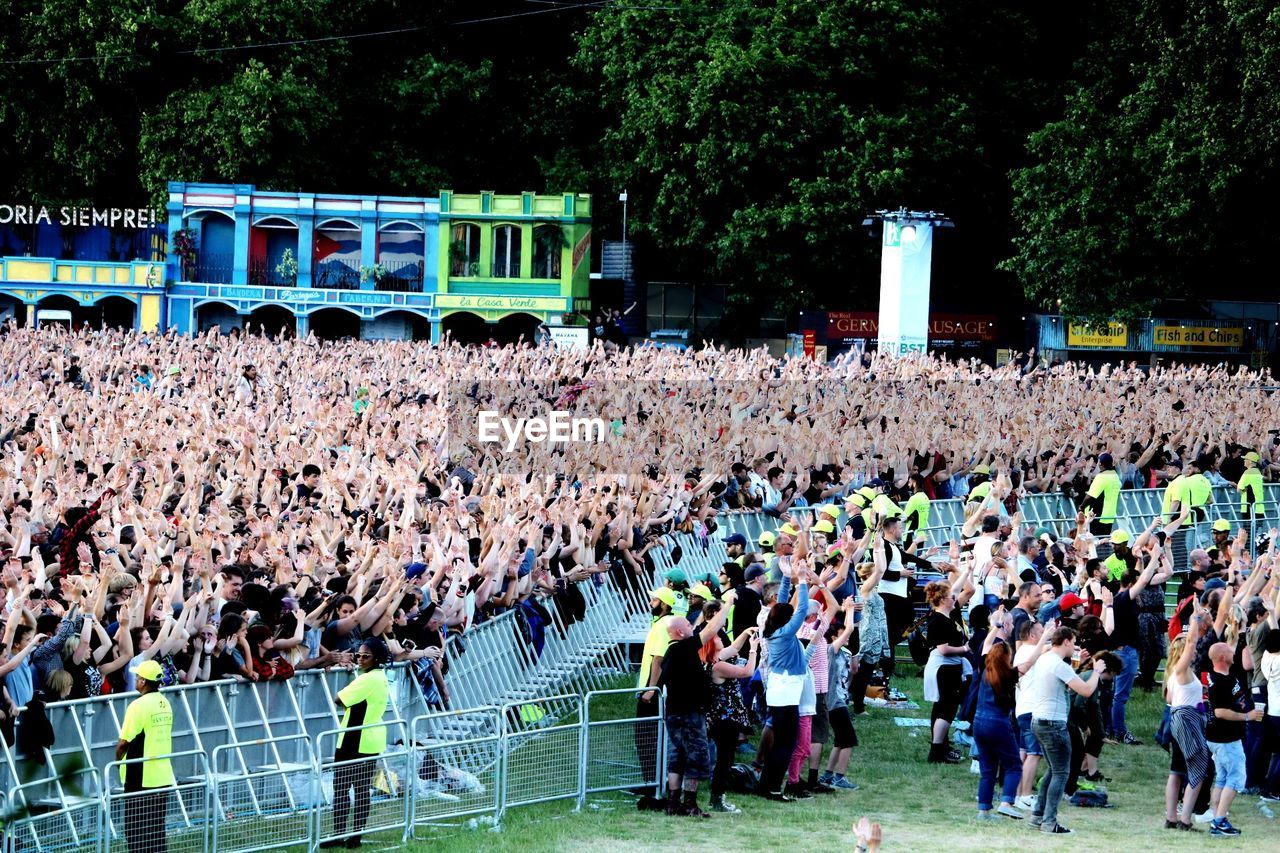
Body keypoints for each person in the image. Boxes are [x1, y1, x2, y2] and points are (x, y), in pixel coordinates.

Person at [1022, 626, 1107, 835]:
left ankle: (1037, 816)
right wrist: (1096, 672)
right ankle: (1049, 822)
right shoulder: (1059, 664)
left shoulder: (1044, 659)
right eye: (1074, 641)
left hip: (1038, 720)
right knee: (1061, 773)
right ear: (1067, 641)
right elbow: (1086, 690)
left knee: (1053, 770)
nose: (1076, 646)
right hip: (1053, 724)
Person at [657, 603, 729, 817]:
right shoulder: (683, 648)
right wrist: (727, 606)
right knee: (695, 756)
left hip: (674, 712)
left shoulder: (671, 652)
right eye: (688, 624)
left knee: (677, 755)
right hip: (690, 713)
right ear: (680, 631)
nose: (692, 626)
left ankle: (673, 801)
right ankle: (689, 803)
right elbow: (710, 630)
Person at [324, 638, 391, 849]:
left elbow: (339, 699)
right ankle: (352, 836)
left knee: (344, 789)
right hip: (366, 739)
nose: (360, 660)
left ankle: (344, 835)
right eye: (358, 655)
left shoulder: (367, 679)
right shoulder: (380, 676)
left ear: (377, 658)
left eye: (365, 656)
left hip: (356, 740)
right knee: (360, 790)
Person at [115, 660, 176, 853]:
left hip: (140, 775)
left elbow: (124, 742)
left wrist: (118, 761)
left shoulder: (138, 705)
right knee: (157, 830)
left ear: (143, 681)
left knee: (136, 830)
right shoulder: (165, 703)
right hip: (162, 774)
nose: (135, 680)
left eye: (137, 677)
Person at [1204, 640, 1258, 837]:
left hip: (1223, 737)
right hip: (1225, 738)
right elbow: (1219, 711)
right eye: (1229, 651)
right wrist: (1246, 717)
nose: (1232, 652)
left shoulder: (1228, 676)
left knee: (1223, 778)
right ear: (1221, 658)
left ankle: (1216, 816)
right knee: (1236, 779)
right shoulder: (1219, 681)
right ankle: (1219, 821)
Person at [1165, 613, 1211, 831]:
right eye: (1190, 650)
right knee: (1199, 767)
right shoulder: (1181, 670)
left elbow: (1170, 700)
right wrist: (1194, 619)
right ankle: (1184, 818)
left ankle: (1171, 817)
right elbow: (1192, 641)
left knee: (1176, 771)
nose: (1194, 651)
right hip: (1186, 721)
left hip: (1178, 719)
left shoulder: (1174, 673)